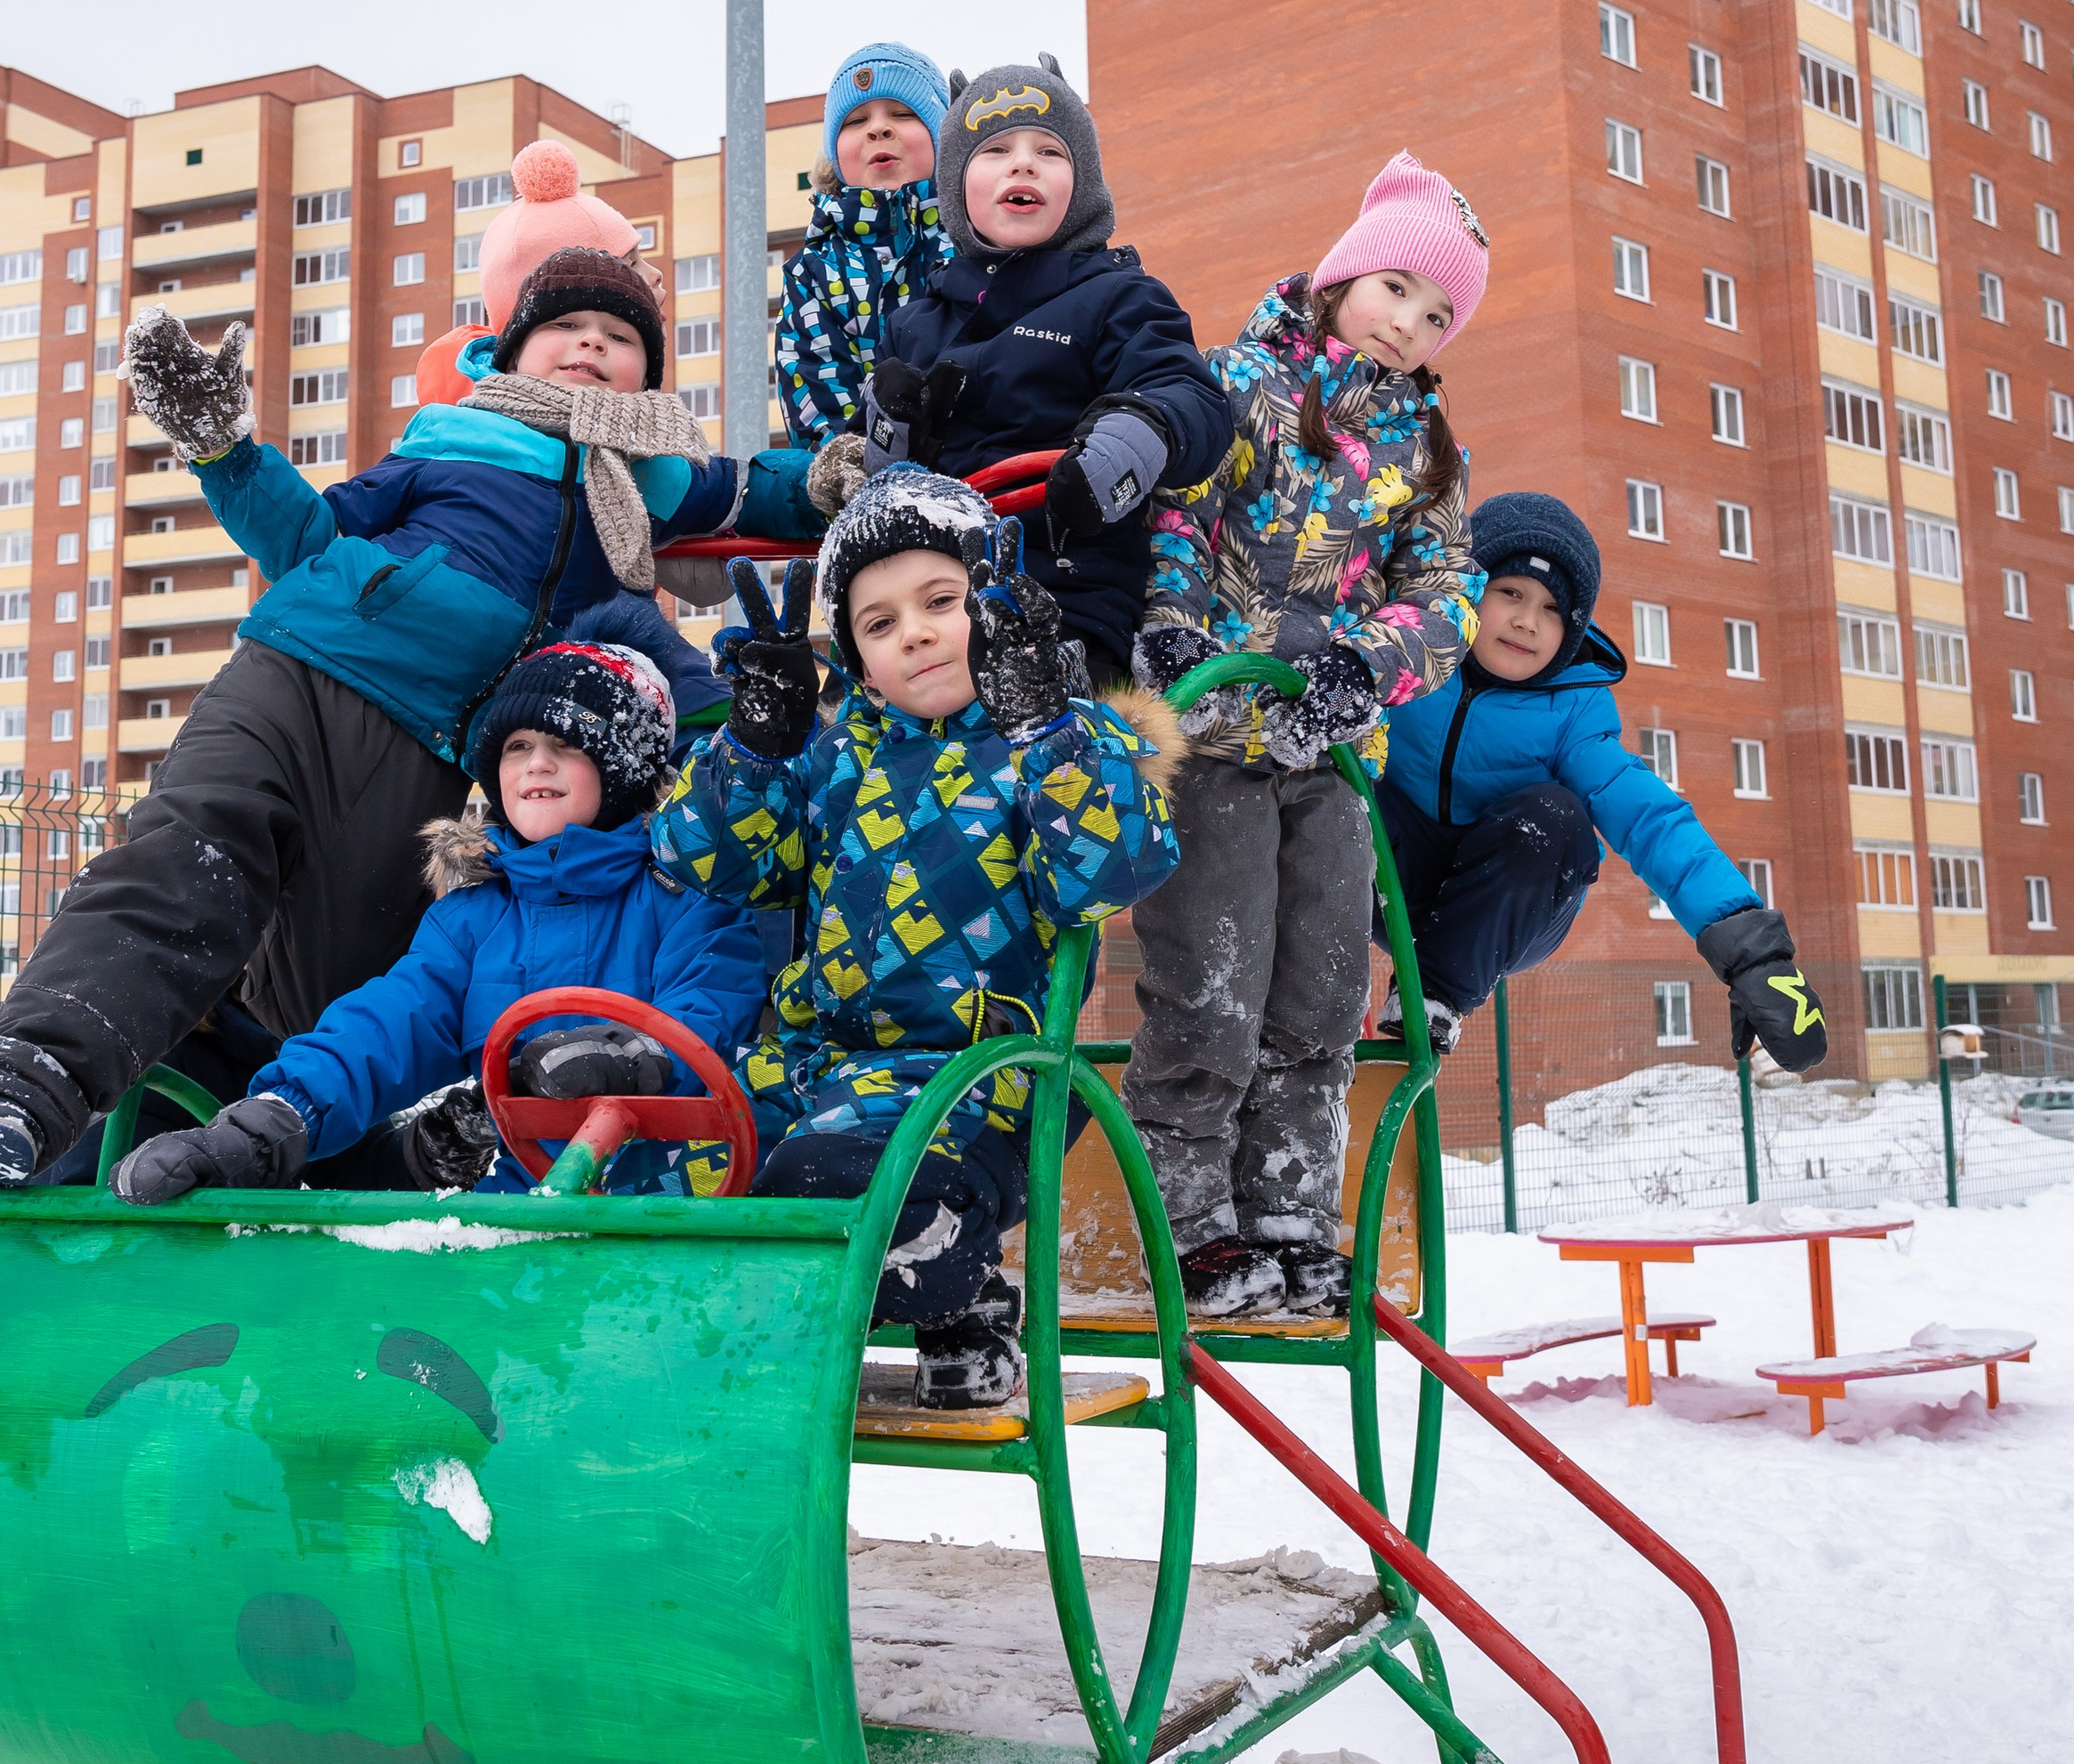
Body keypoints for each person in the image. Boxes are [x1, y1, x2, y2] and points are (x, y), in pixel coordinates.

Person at [0, 231, 782, 1187]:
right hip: (306, 667)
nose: (588, 344)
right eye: (564, 325)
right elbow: (309, 535)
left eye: (619, 335)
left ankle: (253, 1144)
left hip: (436, 763)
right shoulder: (451, 443)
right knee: (193, 850)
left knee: (347, 985)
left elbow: (760, 493)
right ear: (512, 346)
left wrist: (849, 487)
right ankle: (13, 1093)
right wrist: (226, 449)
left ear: (647, 376)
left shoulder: (652, 496)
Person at [653, 466, 1184, 1407]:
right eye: (879, 623)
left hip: (970, 1085)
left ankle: (957, 1291)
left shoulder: (1059, 744)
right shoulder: (832, 758)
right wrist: (756, 744)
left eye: (942, 600)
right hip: (810, 1072)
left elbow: (1106, 873)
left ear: (998, 605)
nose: (917, 633)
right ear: (855, 658)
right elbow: (706, 862)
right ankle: (702, 1364)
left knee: (828, 1185)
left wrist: (1047, 725)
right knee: (661, 1179)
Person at [1124, 151, 1489, 1319]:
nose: (1412, 325)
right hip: (1219, 742)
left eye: (1439, 315)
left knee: (1322, 990)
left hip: (1328, 754)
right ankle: (1195, 1227)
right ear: (1342, 276)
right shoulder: (1237, 389)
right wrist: (1174, 634)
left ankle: (1288, 1214)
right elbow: (1176, 523)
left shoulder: (1428, 449)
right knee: (1211, 982)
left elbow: (1446, 591)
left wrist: (1365, 664)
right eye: (1399, 291)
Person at [106, 625, 768, 1204]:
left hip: (678, 1203)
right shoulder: (475, 918)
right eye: (516, 746)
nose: (536, 760)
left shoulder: (686, 893)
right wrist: (277, 1119)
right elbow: (390, 1022)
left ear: (622, 768)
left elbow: (707, 1011)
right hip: (527, 1201)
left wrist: (630, 1061)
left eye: (566, 744)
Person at [1375, 490, 1828, 1068]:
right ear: (1468, 589)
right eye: (1510, 592)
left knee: (1557, 816)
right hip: (1386, 874)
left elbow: (1652, 821)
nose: (1526, 620)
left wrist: (1753, 955)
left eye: (1551, 610)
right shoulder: (1405, 654)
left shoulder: (1573, 712)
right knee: (1340, 780)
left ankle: (1433, 999)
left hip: (1504, 901)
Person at [829, 57, 1234, 682]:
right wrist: (888, 431)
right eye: (994, 151)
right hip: (933, 604)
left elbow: (1191, 395)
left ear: (1086, 185)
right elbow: (865, 457)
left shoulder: (1119, 296)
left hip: (1064, 591)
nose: (1023, 164)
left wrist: (1133, 439)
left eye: (1050, 151)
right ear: (957, 185)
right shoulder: (919, 323)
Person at [774, 41, 954, 459]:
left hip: (993, 478)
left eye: (903, 114)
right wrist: (854, 467)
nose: (878, 128)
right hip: (875, 490)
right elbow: (816, 393)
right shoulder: (815, 272)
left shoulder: (979, 241)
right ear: (835, 154)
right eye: (856, 121)